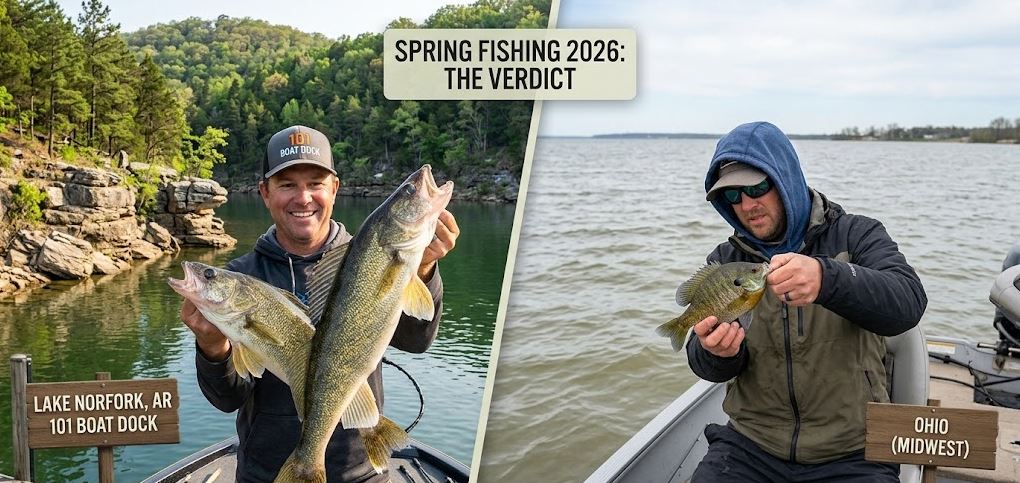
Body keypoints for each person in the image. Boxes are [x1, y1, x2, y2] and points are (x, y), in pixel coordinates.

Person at [179, 125, 460, 482]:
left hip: (361, 471)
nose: (303, 198)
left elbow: (416, 341)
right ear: (265, 193)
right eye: (287, 184)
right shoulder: (238, 280)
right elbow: (226, 398)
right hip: (266, 473)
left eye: (315, 183)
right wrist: (211, 347)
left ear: (334, 189)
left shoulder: (365, 257)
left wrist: (422, 269)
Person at [685, 121, 927, 482]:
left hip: (853, 451)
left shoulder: (857, 234)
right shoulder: (725, 259)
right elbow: (703, 363)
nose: (747, 205)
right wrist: (716, 353)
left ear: (785, 178)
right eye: (733, 196)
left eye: (756, 187)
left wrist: (828, 279)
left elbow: (908, 301)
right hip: (750, 446)